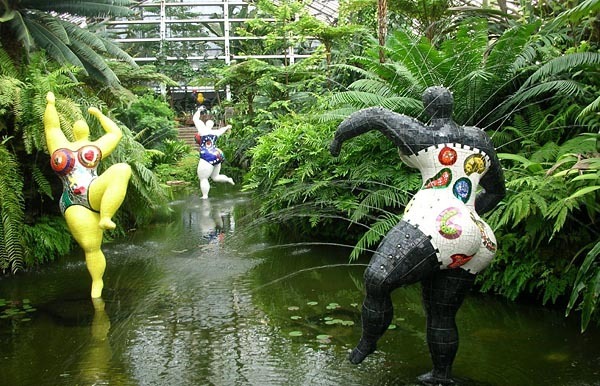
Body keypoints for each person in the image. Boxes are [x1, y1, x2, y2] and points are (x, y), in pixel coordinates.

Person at [330, 86, 505, 385]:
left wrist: (338, 139)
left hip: (436, 221)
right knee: (441, 314)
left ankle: (367, 343)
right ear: (451, 106)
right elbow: (498, 191)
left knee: (377, 278)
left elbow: (374, 116)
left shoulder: (425, 134)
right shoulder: (480, 139)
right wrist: (467, 214)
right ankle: (441, 375)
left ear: (428, 109)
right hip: (479, 235)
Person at [44, 92, 132, 299]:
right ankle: (97, 282)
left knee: (121, 169)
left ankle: (106, 216)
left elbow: (115, 133)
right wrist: (50, 104)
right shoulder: (59, 145)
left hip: (93, 191)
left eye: (83, 122)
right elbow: (52, 126)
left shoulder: (95, 147)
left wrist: (99, 115)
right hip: (71, 201)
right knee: (91, 247)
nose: (79, 123)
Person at [193, 107, 235, 199]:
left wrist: (199, 110)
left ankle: (205, 196)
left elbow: (195, 119)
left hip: (207, 156)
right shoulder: (215, 132)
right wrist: (228, 127)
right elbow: (223, 130)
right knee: (215, 177)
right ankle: (228, 179)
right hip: (217, 154)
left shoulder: (202, 130)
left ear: (205, 124)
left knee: (203, 178)